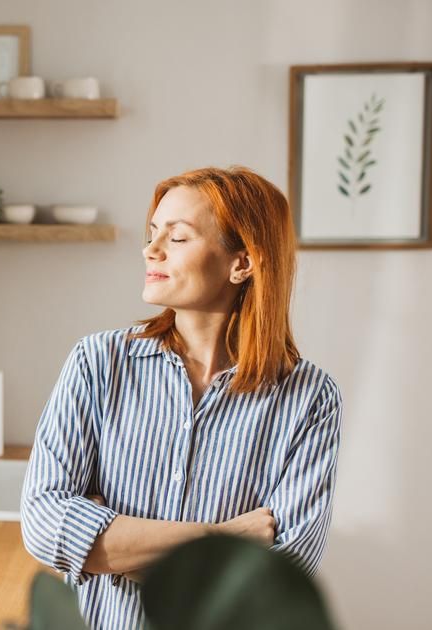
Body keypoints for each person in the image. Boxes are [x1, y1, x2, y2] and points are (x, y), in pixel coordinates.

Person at [20, 166, 343, 629]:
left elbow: (278, 577)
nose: (151, 250)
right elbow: (45, 525)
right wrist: (228, 536)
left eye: (178, 238)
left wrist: (110, 547)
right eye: (153, 234)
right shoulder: (98, 363)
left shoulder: (310, 399)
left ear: (242, 263)